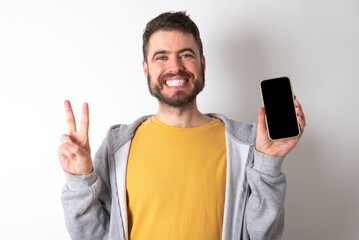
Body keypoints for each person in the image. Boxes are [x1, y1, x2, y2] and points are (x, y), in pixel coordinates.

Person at [58, 11, 306, 240]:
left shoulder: (245, 143)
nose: (175, 66)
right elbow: (93, 236)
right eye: (161, 57)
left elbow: (262, 236)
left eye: (186, 55)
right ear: (146, 69)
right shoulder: (118, 144)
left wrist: (268, 166)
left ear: (202, 64)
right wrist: (79, 180)